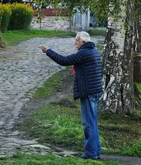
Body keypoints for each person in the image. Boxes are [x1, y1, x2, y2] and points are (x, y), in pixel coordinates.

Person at [40, 31, 102, 160]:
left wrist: (48, 51)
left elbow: (64, 60)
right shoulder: (93, 51)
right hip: (94, 90)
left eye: (77, 41)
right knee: (93, 122)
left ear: (83, 42)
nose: (75, 43)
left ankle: (90, 154)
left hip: (88, 92)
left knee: (88, 124)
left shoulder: (84, 53)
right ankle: (95, 151)